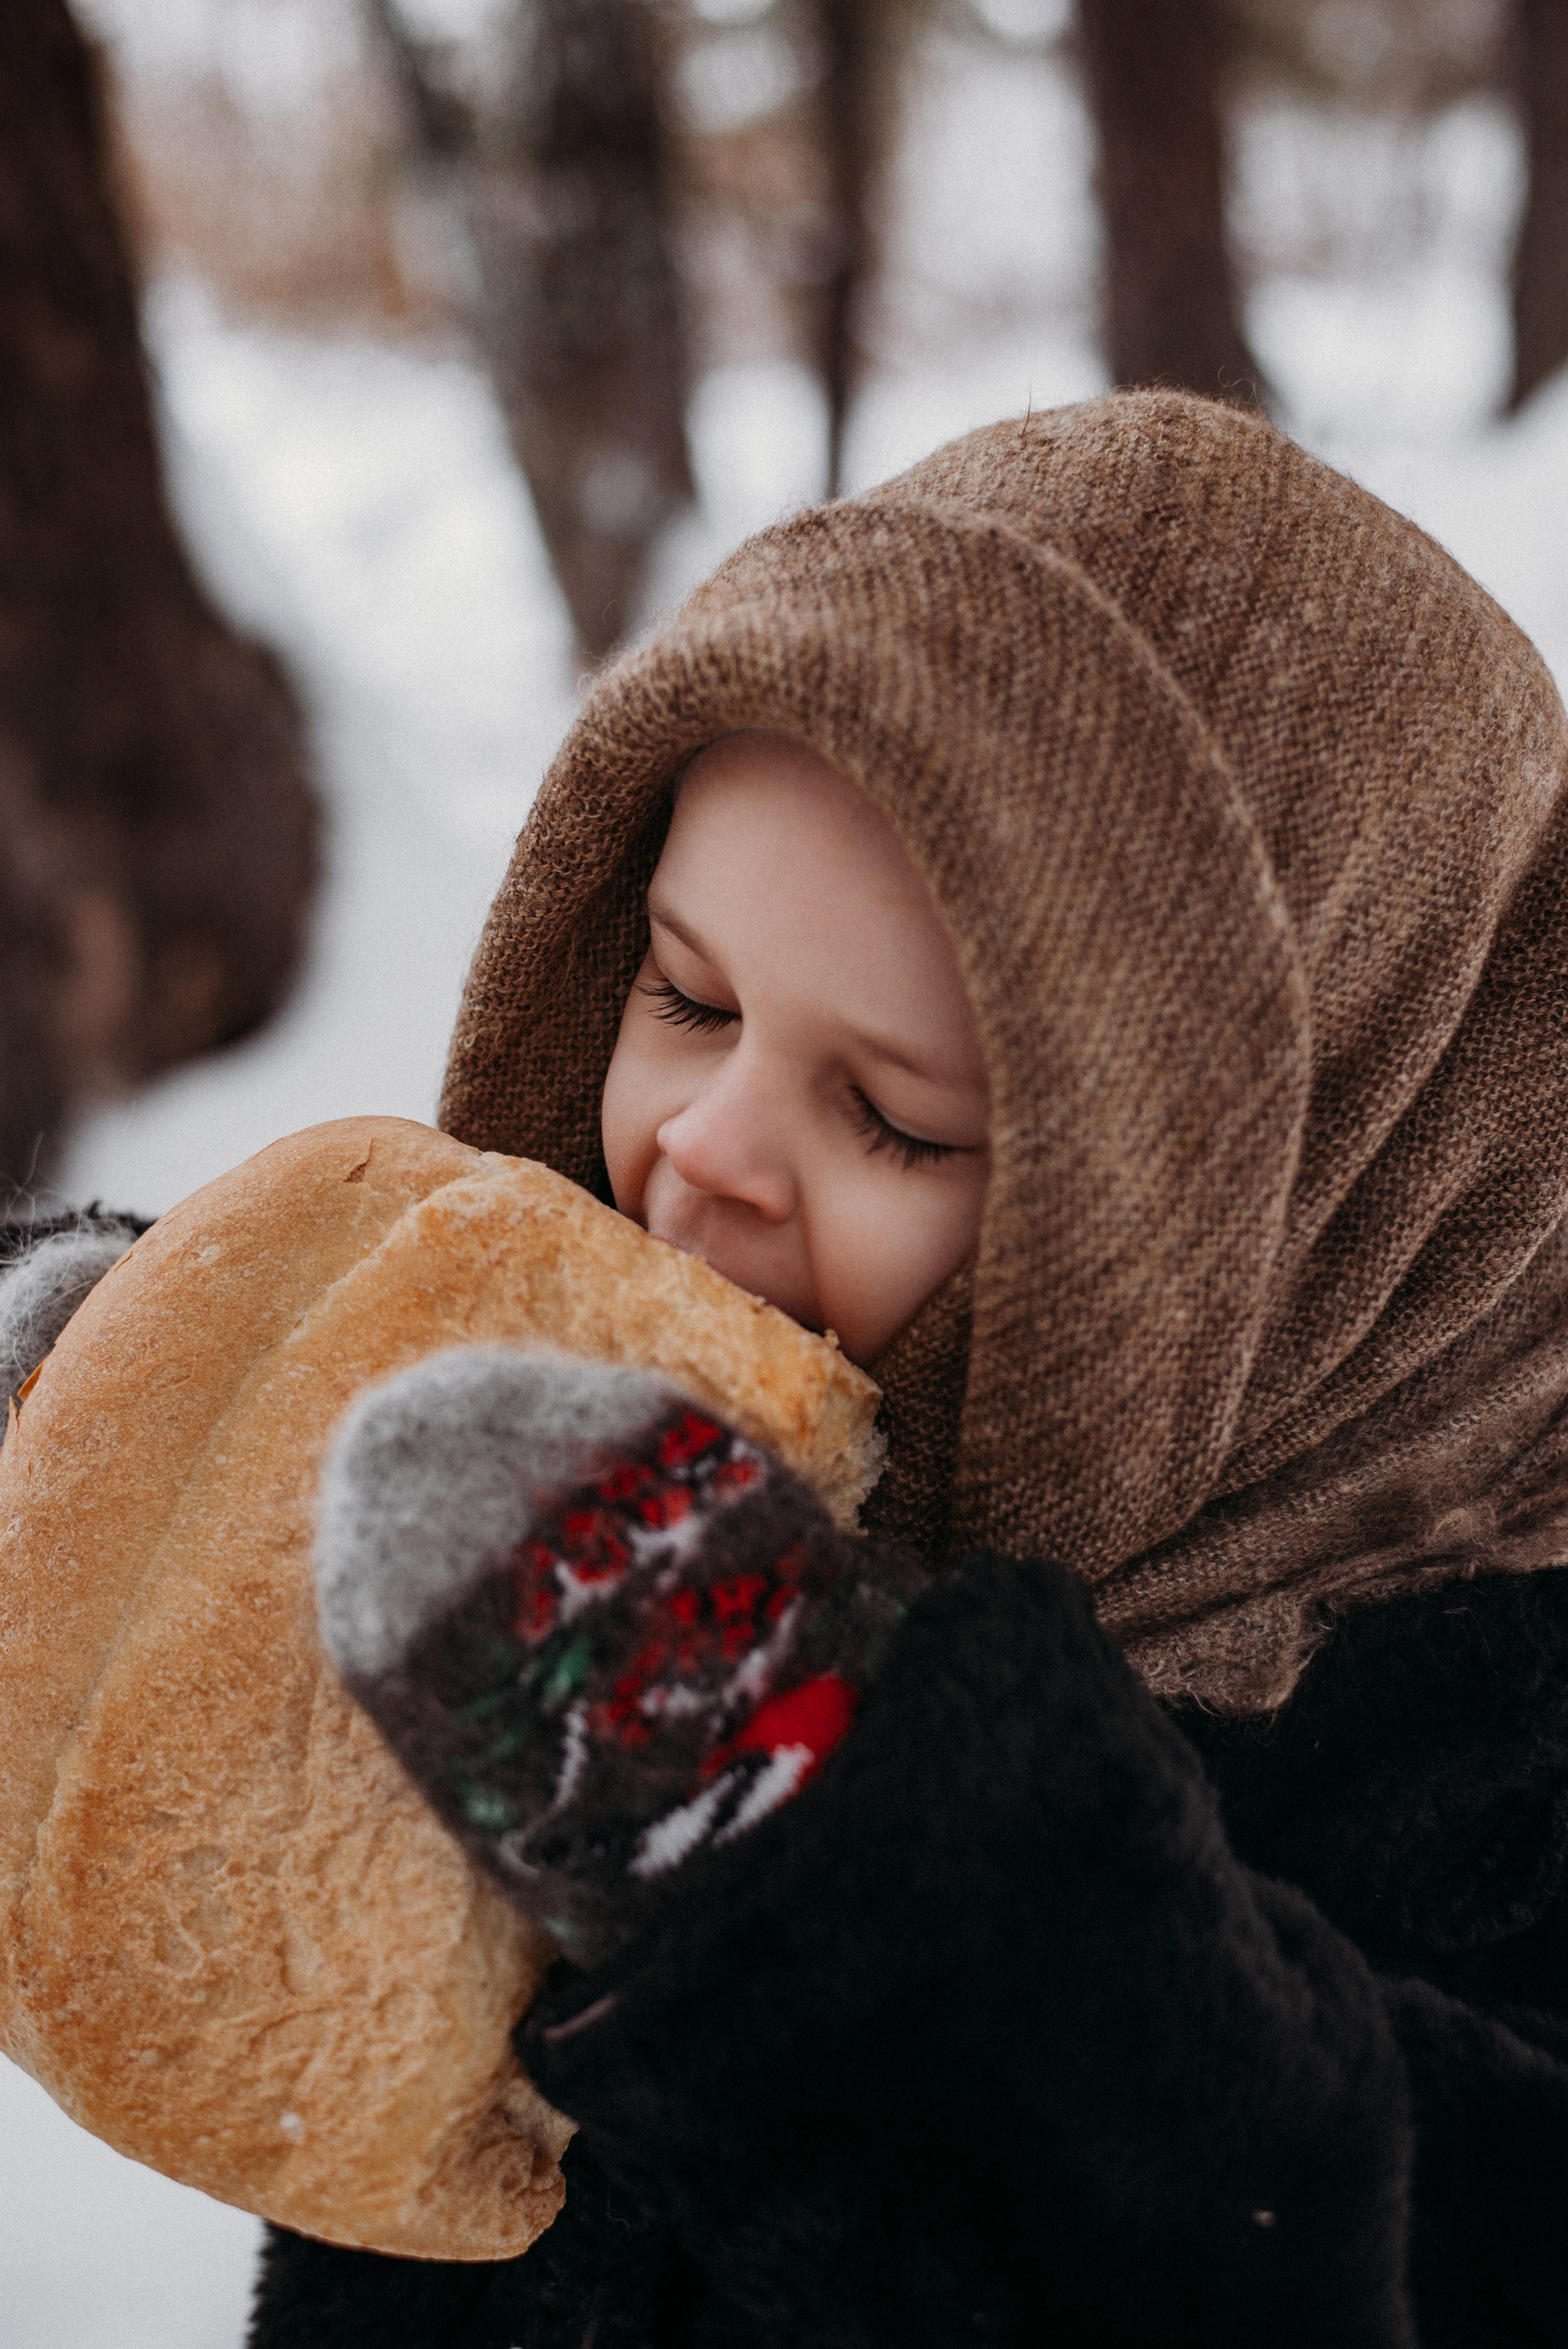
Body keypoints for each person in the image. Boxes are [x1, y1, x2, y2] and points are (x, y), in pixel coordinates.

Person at [11, 390, 1568, 2345]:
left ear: (1285, 1222)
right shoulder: (578, 1516)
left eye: (896, 1117)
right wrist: (182, 1453)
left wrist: (838, 1855)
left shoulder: (1495, 1758)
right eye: (686, 995)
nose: (705, 1150)